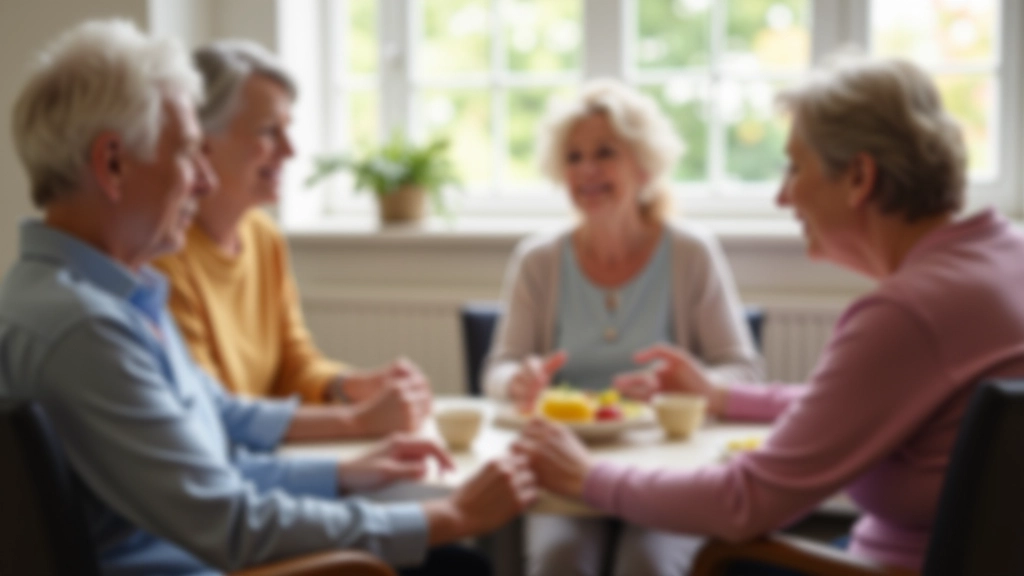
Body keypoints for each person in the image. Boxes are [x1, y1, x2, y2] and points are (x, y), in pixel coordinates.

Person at [0, 19, 535, 576]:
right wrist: (446, 517)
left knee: (440, 544)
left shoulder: (107, 298)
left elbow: (214, 452)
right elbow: (229, 523)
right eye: (186, 152)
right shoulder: (85, 329)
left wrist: (343, 473)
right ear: (112, 164)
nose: (202, 180)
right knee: (453, 558)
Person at [514, 56, 1024, 574]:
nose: (783, 196)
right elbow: (850, 406)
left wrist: (587, 477)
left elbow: (746, 502)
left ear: (859, 177)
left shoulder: (907, 314)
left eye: (795, 167)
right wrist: (724, 396)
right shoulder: (1005, 255)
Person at [484, 80, 762, 576]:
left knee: (647, 565)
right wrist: (516, 380)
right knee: (559, 562)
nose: (586, 170)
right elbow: (499, 368)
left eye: (604, 152)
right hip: (566, 462)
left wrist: (696, 383)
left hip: (668, 466)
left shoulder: (691, 253)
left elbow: (743, 370)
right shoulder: (538, 260)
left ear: (644, 165)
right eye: (573, 157)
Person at [149, 40, 430, 441]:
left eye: (288, 129)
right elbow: (213, 415)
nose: (290, 150)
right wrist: (359, 421)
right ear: (201, 139)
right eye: (269, 131)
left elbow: (294, 365)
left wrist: (348, 385)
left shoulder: (264, 236)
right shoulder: (163, 255)